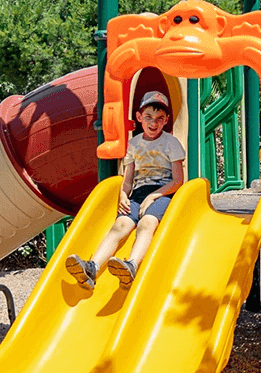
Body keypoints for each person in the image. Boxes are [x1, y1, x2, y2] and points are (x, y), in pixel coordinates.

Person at [66, 91, 185, 290]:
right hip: (138, 193)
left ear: (166, 121)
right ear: (139, 118)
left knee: (146, 223)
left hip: (163, 191)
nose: (153, 123)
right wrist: (123, 194)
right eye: (148, 117)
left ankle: (131, 265)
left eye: (159, 119)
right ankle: (92, 268)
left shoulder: (170, 143)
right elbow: (128, 178)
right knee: (120, 225)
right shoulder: (134, 144)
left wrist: (154, 196)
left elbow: (178, 180)